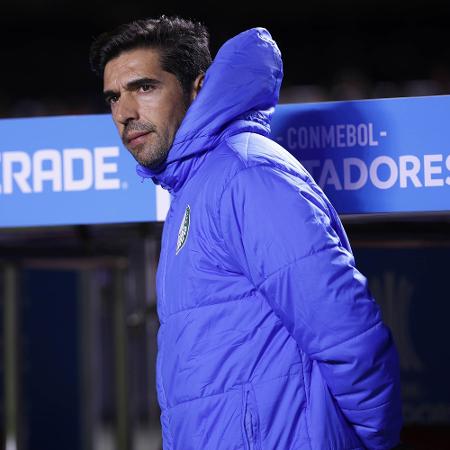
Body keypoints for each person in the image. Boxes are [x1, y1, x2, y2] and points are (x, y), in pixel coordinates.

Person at [90, 16, 402, 450]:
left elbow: (350, 335)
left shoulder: (244, 175)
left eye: (145, 87)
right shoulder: (193, 186)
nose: (124, 113)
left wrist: (366, 442)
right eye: (113, 98)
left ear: (196, 88)